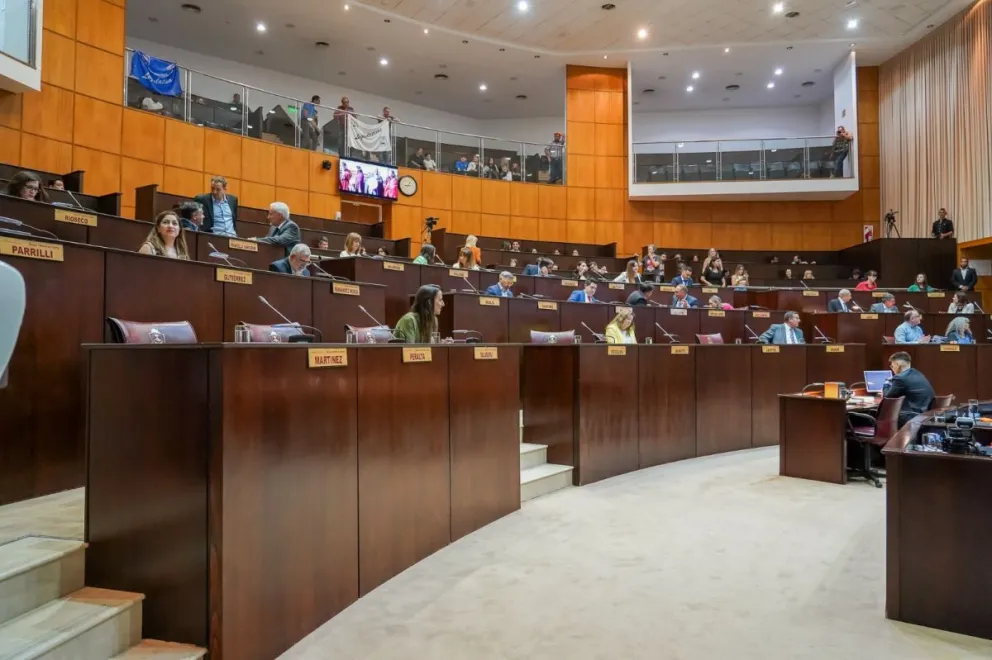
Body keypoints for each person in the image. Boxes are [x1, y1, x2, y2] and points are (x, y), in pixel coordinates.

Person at [883, 352, 935, 427]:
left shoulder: (900, 378)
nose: (892, 369)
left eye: (892, 366)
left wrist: (886, 383)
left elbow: (887, 398)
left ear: (897, 365)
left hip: (910, 417)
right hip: (925, 415)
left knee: (881, 415)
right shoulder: (918, 373)